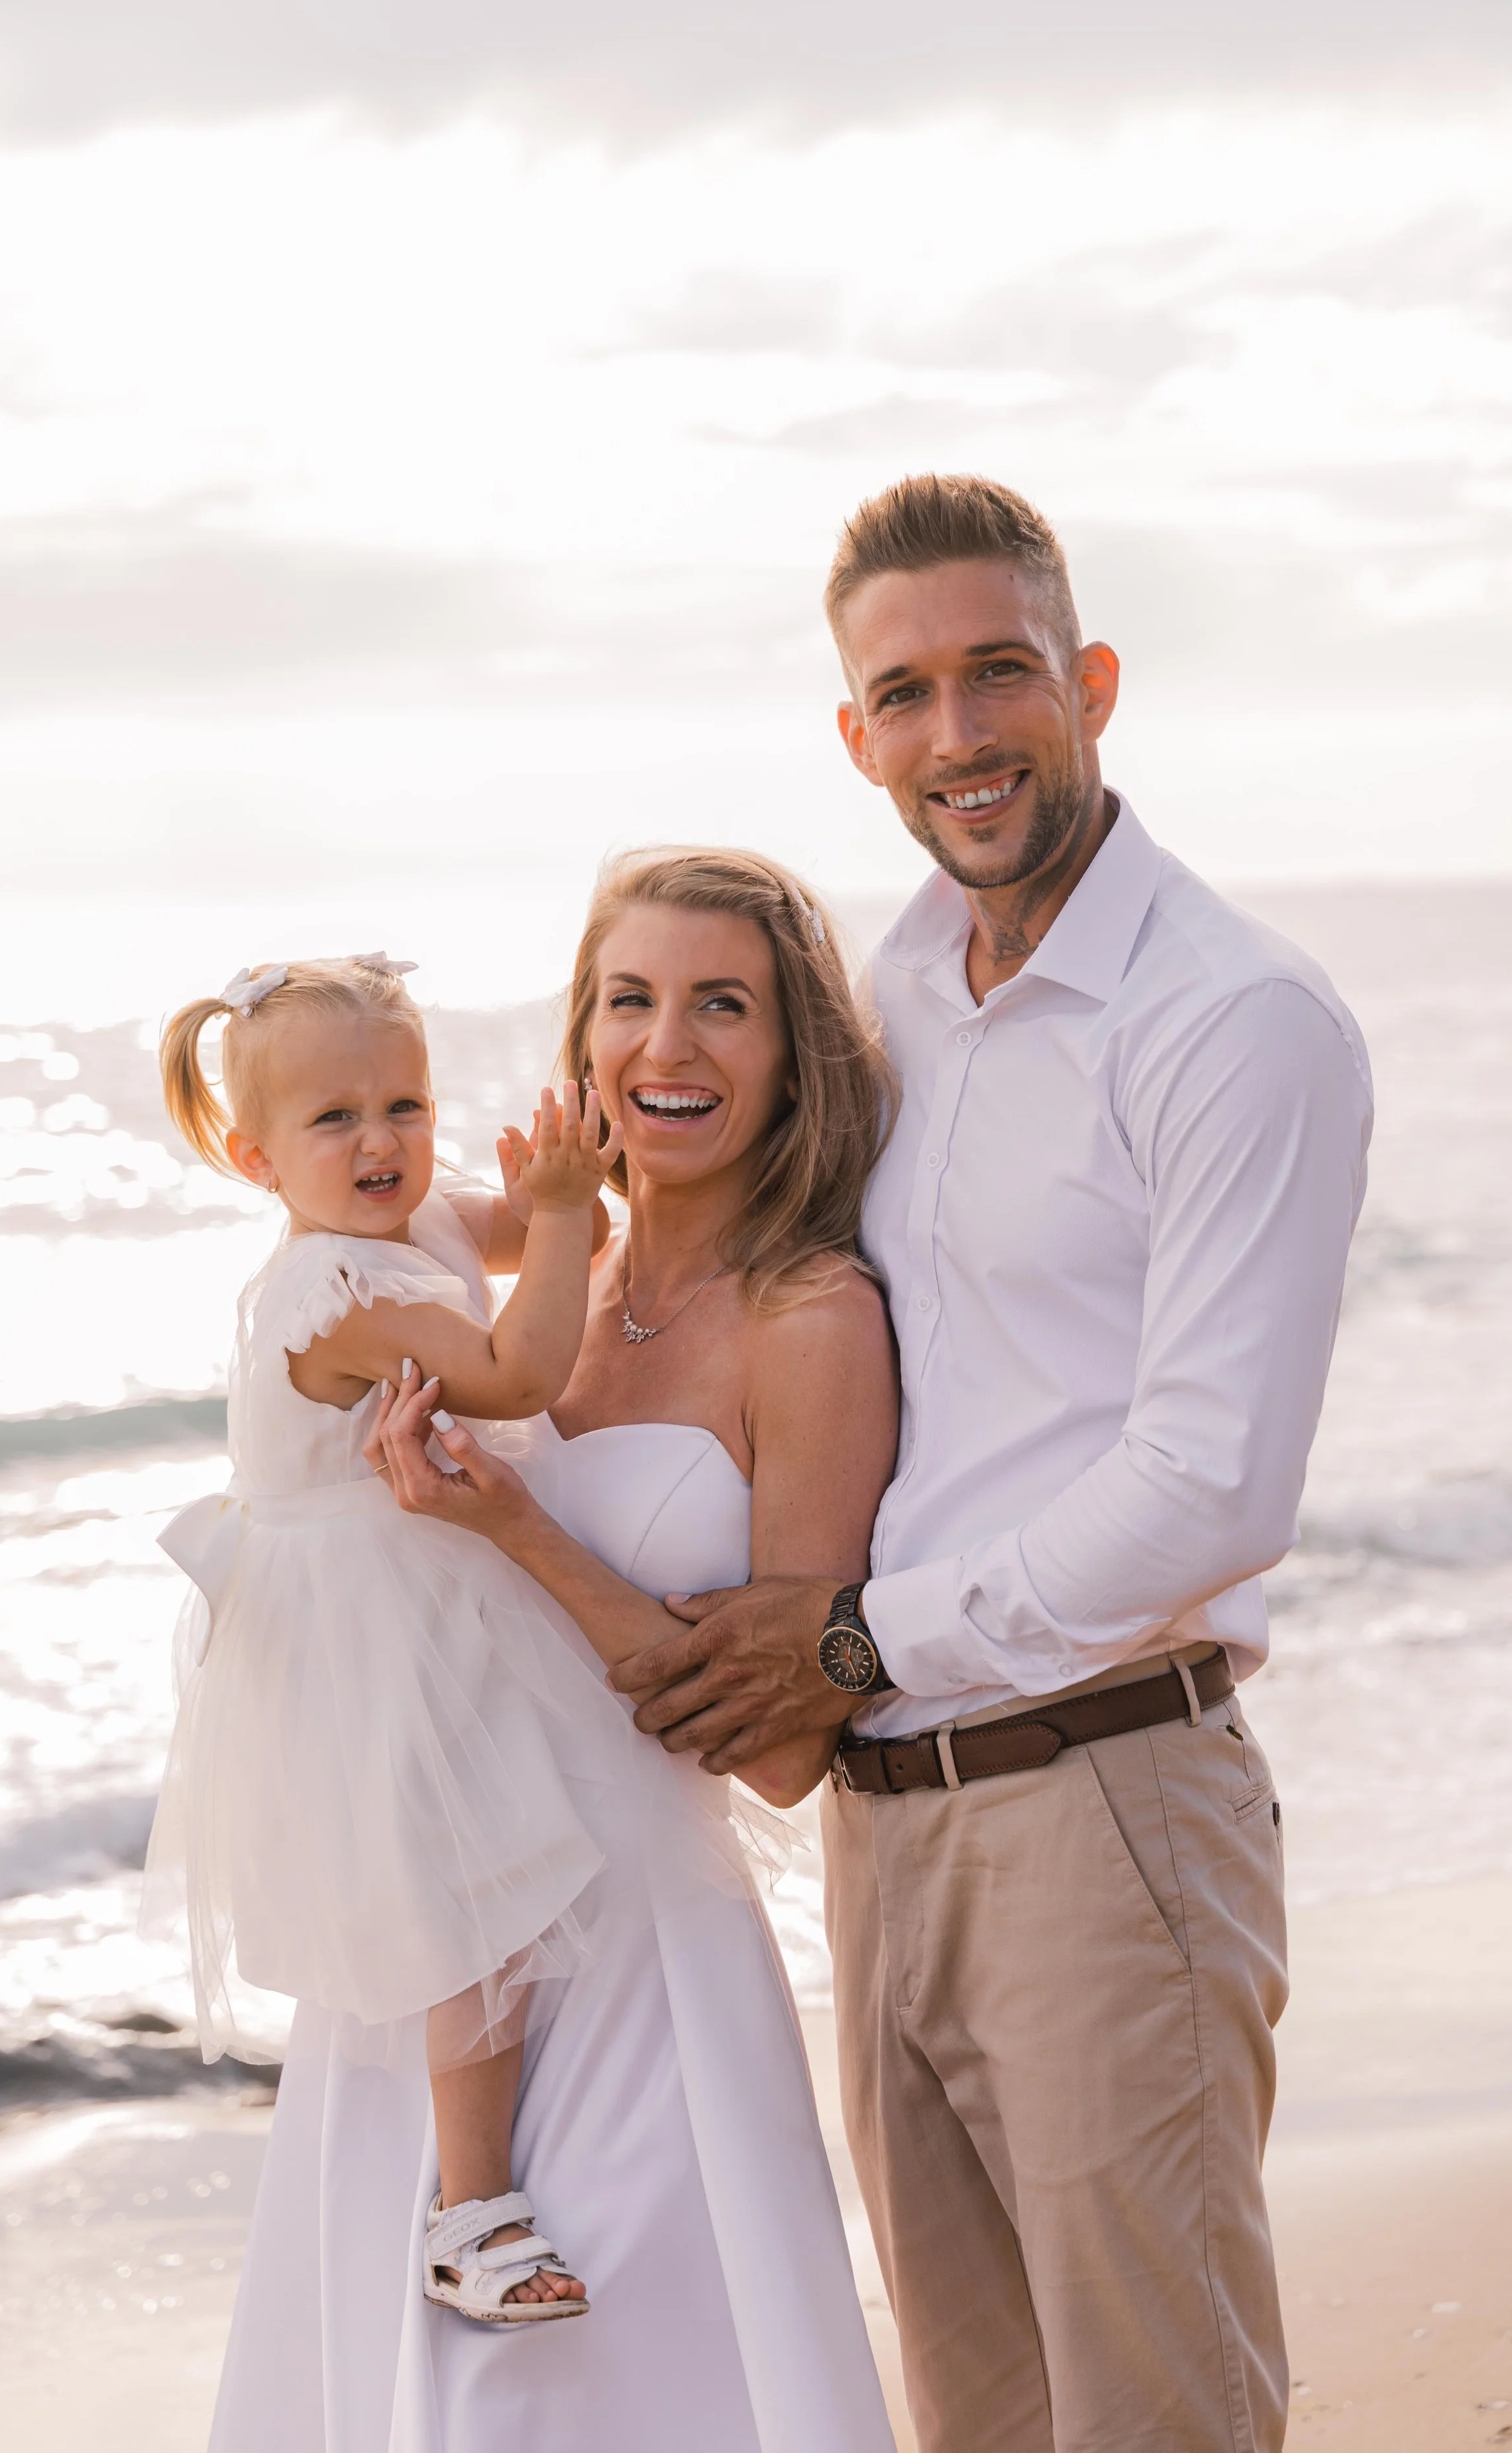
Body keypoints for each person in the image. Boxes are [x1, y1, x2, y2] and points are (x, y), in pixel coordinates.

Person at [606, 478, 1375, 2453]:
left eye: (1000, 674)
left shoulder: (1233, 1020)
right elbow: (697, 1220)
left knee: (1151, 2416)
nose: (959, 734)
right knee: (971, 2421)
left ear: (1090, 682)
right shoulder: (884, 1003)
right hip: (883, 1825)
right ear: (854, 735)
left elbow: (1209, 1482)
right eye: (907, 692)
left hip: (1101, 1796)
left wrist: (853, 1636)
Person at [223, 863, 902, 2451]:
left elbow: (789, 1751)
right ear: (578, 1042)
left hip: (640, 1964)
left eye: (721, 1003)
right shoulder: (522, 1275)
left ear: (789, 1052)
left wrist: (516, 1527)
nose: (666, 1041)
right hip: (435, 1933)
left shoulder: (811, 1318)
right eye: (629, 998)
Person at [146, 951, 632, 2323]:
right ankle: (470, 2212)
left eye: (403, 1105)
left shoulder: (404, 1232)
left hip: (425, 1604)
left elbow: (557, 1244)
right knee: (469, 1911)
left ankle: (475, 2182)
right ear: (255, 1157)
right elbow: (520, 1368)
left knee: (501, 1879)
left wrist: (569, 1184)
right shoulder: (325, 1299)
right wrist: (550, 1217)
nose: (381, 1143)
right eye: (333, 1120)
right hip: (366, 1645)